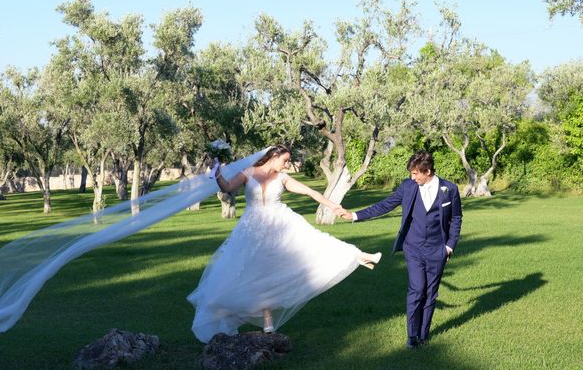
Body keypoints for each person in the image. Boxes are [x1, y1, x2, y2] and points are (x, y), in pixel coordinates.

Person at [187, 145, 382, 343]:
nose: (287, 164)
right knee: (252, 271)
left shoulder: (283, 178)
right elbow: (227, 187)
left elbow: (311, 192)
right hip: (252, 228)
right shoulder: (248, 173)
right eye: (285, 160)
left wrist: (332, 205)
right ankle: (258, 318)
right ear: (274, 156)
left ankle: (357, 255)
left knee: (314, 242)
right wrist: (218, 173)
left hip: (280, 223)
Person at [338, 151, 462, 349]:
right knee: (417, 289)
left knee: (431, 294)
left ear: (427, 171)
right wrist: (354, 215)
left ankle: (424, 335)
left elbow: (456, 218)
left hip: (438, 249)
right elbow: (385, 205)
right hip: (413, 248)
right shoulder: (408, 187)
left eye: (415, 174)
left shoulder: (450, 189)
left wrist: (449, 246)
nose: (412, 177)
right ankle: (412, 338)